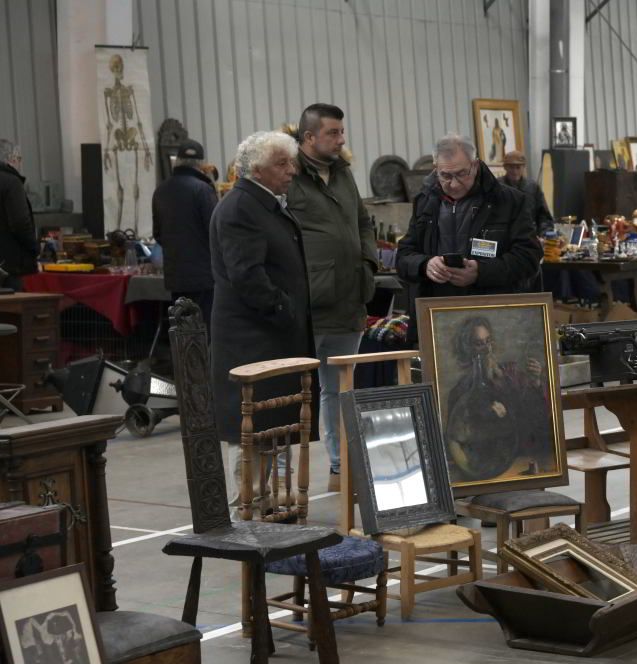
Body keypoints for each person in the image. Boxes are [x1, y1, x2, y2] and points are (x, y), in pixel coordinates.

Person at [209, 130, 313, 500]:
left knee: (272, 425)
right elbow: (247, 275)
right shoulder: (240, 208)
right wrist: (283, 309)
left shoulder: (265, 203)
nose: (291, 171)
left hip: (272, 336)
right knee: (251, 431)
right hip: (252, 340)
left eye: (291, 162)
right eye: (281, 164)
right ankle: (250, 505)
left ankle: (271, 501)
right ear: (255, 170)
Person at [287, 103, 377, 493]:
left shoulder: (343, 174)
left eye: (342, 132)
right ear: (309, 137)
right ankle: (280, 481)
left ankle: (341, 470)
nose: (342, 140)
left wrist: (369, 264)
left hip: (349, 298)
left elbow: (363, 222)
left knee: (341, 388)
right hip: (310, 304)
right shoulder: (289, 175)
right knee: (292, 391)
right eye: (333, 133)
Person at [396, 133, 542, 319]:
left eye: (461, 174)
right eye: (446, 176)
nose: (454, 184)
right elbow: (403, 257)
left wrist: (481, 273)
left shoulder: (509, 201)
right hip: (436, 315)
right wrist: (425, 265)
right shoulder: (425, 202)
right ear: (435, 169)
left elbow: (529, 257)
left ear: (475, 165)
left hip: (492, 315)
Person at [443, 316, 552, 482]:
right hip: (484, 466)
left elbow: (537, 416)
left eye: (488, 341)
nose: (487, 349)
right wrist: (488, 416)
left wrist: (536, 382)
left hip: (518, 460)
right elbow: (460, 437)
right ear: (468, 349)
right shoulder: (460, 391)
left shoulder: (511, 373)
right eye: (479, 343)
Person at [152, 139, 218, 331]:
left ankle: (183, 362)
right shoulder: (203, 190)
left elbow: (158, 234)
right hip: (204, 277)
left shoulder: (160, 191)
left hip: (176, 277)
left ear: (177, 161)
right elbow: (215, 231)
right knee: (205, 330)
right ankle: (205, 362)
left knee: (182, 330)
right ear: (201, 164)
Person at [0, 140, 38, 291]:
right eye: (20, 159)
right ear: (12, 158)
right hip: (10, 266)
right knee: (15, 311)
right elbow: (20, 223)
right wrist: (34, 248)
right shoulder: (11, 182)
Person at [501, 150, 553, 237]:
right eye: (511, 167)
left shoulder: (533, 187)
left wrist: (544, 234)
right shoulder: (496, 187)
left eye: (518, 167)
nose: (514, 171)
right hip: (503, 237)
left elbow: (543, 216)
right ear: (505, 167)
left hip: (529, 236)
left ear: (524, 167)